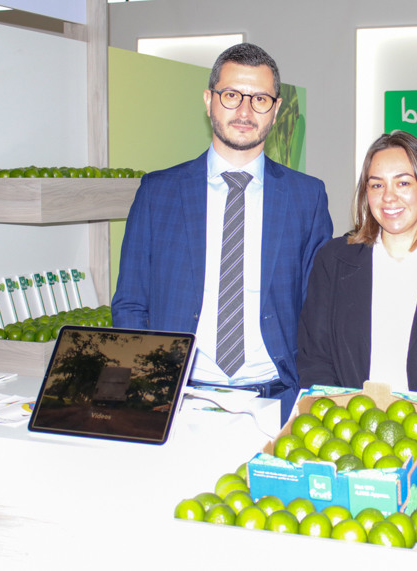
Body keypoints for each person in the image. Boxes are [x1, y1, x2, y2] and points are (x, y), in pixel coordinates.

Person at [112, 43, 333, 425]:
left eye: (260, 99)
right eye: (232, 95)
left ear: (276, 109)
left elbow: (319, 312)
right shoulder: (158, 192)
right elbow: (131, 304)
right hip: (179, 401)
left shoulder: (306, 197)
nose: (245, 111)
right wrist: (146, 391)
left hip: (277, 401)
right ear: (209, 100)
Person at [297, 131, 417, 398]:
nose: (388, 197)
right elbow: (314, 359)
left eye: (403, 183)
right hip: (347, 418)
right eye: (377, 185)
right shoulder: (333, 260)